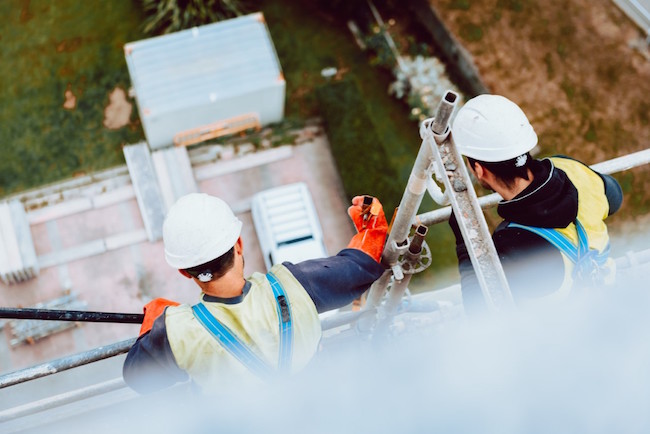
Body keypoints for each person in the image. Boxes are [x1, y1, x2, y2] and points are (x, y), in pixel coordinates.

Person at [122, 192, 387, 393]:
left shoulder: (177, 333)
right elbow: (360, 267)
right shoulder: (296, 285)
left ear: (183, 271)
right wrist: (371, 229)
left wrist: (159, 323)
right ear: (238, 244)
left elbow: (137, 377)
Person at [449, 94, 623, 315]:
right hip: (609, 300)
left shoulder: (514, 244)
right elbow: (614, 198)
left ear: (479, 170)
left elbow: (480, 313)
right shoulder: (568, 168)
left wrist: (465, 242)